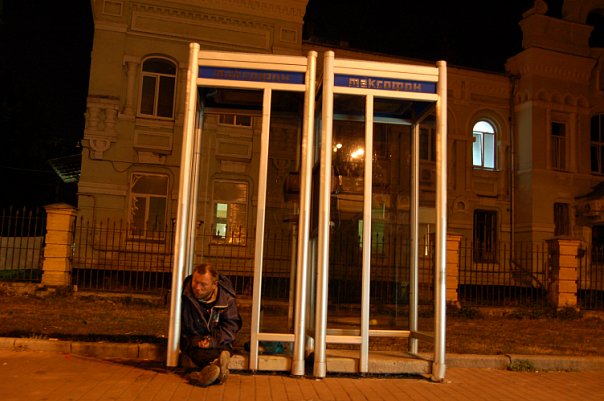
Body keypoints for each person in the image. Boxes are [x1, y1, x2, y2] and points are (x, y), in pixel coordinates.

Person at [180, 263, 242, 387]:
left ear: (214, 284)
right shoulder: (185, 294)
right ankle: (217, 367)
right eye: (195, 282)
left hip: (218, 337)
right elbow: (185, 326)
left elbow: (231, 326)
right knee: (195, 348)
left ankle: (207, 372)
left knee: (224, 345)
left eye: (203, 284)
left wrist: (212, 341)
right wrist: (201, 341)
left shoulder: (226, 298)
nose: (197, 287)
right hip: (196, 337)